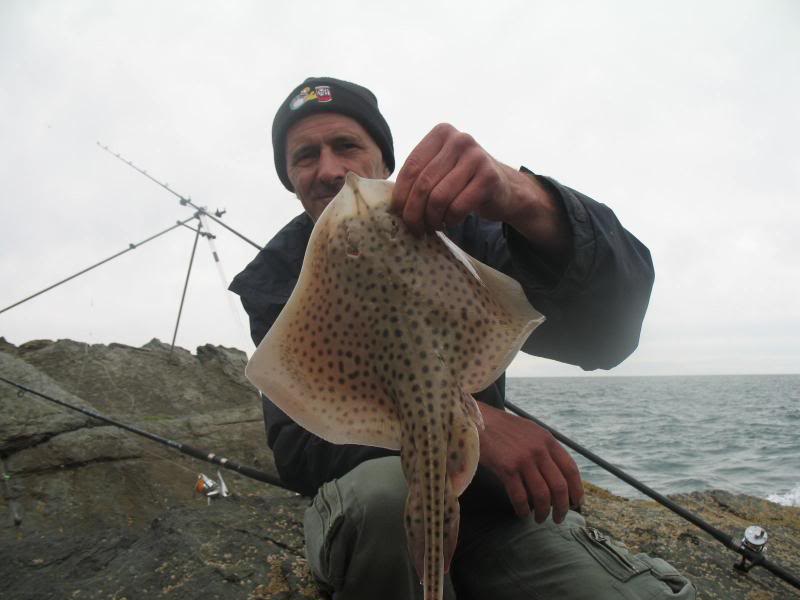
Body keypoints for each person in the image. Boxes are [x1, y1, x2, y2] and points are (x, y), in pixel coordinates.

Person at [230, 77, 695, 600]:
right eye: (305, 156)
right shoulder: (275, 278)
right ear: (289, 177)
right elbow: (299, 447)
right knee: (385, 498)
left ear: (385, 159)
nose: (331, 170)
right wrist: (471, 422)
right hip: (380, 507)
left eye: (347, 145)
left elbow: (605, 336)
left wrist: (525, 200)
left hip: (494, 509)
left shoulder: (458, 232)